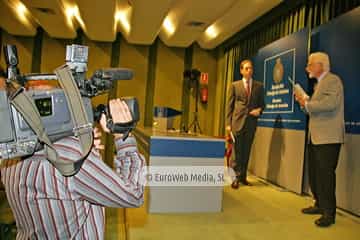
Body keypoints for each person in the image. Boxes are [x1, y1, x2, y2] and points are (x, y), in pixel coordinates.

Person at [0, 74, 145, 239]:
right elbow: (133, 194)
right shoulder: (71, 155)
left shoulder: (9, 156)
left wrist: (86, 151)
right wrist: (123, 135)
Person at [295, 52, 344, 227]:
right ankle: (319, 204)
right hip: (316, 138)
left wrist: (307, 103)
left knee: (326, 176)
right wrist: (304, 103)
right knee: (316, 175)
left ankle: (329, 214)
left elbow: (330, 104)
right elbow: (313, 110)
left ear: (320, 65)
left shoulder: (333, 80)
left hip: (328, 138)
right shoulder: (319, 84)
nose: (307, 67)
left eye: (310, 64)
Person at [226, 59, 264, 188]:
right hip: (237, 122)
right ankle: (233, 178)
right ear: (241, 70)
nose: (249, 70)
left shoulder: (259, 86)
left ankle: (242, 177)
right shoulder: (234, 85)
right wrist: (228, 123)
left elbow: (262, 105)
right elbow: (229, 106)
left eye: (251, 68)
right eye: (246, 68)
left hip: (251, 123)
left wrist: (259, 110)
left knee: (247, 151)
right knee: (237, 152)